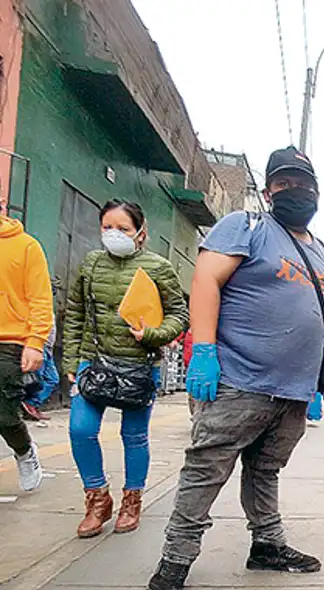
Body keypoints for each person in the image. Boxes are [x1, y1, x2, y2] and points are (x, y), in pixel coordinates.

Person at [148, 146, 324, 590]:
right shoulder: (246, 226)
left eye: (305, 185)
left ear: (318, 192)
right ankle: (173, 565)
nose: (297, 192)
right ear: (269, 190)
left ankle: (267, 546)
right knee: (206, 471)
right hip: (237, 381)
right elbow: (205, 280)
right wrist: (204, 351)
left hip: (293, 392)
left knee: (264, 471)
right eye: (285, 184)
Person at [63, 200, 188, 538]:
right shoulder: (90, 264)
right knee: (80, 430)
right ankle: (97, 499)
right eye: (107, 227)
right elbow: (74, 312)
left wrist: (152, 335)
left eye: (123, 229)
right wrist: (72, 360)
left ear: (141, 233)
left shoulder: (159, 267)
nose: (113, 234)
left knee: (134, 436)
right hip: (94, 360)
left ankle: (132, 501)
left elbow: (180, 314)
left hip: (139, 365)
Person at [0, 210, 50, 492]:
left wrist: (35, 341)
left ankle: (24, 451)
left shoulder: (26, 246)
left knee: (5, 416)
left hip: (9, 342)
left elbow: (40, 298)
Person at [22, 294, 58, 422]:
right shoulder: (34, 308)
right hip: (40, 347)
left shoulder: (46, 307)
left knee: (52, 379)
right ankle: (30, 404)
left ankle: (32, 404)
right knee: (38, 380)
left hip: (48, 348)